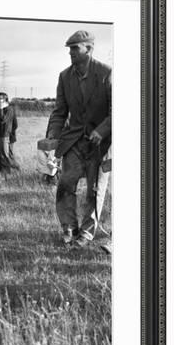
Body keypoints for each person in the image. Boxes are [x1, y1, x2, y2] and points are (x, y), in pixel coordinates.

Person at [46, 30, 112, 248]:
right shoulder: (64, 76)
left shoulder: (106, 73)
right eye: (69, 49)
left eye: (75, 48)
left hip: (100, 144)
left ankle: (86, 233)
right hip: (74, 140)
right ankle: (69, 228)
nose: (71, 53)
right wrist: (53, 135)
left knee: (94, 190)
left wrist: (102, 130)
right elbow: (59, 111)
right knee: (65, 183)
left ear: (89, 49)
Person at [0, 92, 20, 174]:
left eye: (0, 99)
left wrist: (10, 133)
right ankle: (5, 172)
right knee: (1, 155)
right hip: (0, 135)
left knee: (5, 155)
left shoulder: (9, 109)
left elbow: (3, 120)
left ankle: (11, 171)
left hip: (6, 135)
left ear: (5, 100)